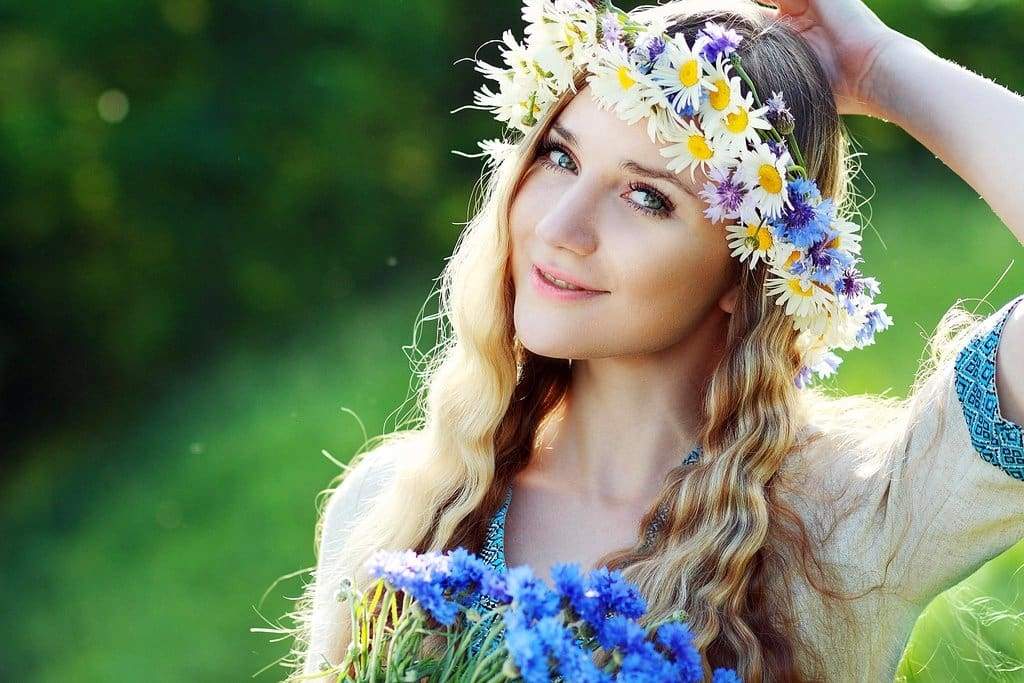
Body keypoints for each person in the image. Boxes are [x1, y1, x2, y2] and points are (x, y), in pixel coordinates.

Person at [284, 0, 1024, 680]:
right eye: (561, 158)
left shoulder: (843, 527)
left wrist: (882, 69)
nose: (559, 228)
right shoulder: (399, 504)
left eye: (646, 196)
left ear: (746, 271)